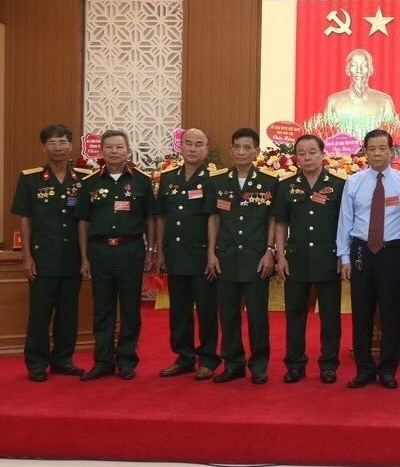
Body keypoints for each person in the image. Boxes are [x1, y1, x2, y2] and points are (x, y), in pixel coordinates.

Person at [11, 124, 93, 381]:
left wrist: (85, 257)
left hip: (72, 257)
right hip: (43, 257)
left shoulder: (84, 178)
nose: (58, 148)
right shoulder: (30, 178)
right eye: (52, 143)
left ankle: (62, 360)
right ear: (44, 147)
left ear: (71, 146)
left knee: (68, 313)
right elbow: (25, 218)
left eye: (63, 142)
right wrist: (26, 256)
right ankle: (36, 363)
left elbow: (86, 220)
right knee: (40, 312)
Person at [338, 129, 400, 389]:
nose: (378, 153)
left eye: (383, 148)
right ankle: (364, 369)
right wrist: (344, 256)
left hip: (392, 252)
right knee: (361, 314)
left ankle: (388, 369)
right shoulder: (354, 182)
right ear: (365, 152)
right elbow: (345, 221)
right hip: (361, 252)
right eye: (372, 149)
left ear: (392, 151)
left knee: (392, 314)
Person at [76, 129, 154, 381]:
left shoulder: (142, 181)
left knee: (130, 308)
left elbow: (150, 219)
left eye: (119, 147)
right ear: (101, 151)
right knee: (102, 309)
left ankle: (127, 360)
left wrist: (151, 250)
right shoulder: (90, 182)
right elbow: (83, 222)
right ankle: (103, 362)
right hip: (99, 252)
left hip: (130, 250)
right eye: (109, 147)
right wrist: (84, 256)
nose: (114, 151)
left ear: (128, 150)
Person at [206, 127, 279, 384]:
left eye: (247, 147)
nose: (241, 152)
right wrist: (211, 253)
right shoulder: (217, 182)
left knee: (257, 317)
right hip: (225, 258)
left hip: (256, 259)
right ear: (231, 150)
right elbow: (214, 219)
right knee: (228, 315)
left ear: (256, 151)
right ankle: (233, 364)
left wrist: (270, 251)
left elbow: (273, 220)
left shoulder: (269, 182)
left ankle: (259, 365)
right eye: (237, 147)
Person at [274, 134, 347, 384]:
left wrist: (343, 255)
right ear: (296, 156)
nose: (307, 157)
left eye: (312, 152)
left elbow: (345, 224)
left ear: (322, 154)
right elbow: (281, 223)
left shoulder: (338, 185)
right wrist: (280, 255)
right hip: (296, 259)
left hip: (328, 259)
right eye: (301, 153)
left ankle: (329, 365)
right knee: (295, 314)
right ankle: (295, 365)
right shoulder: (286, 186)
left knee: (330, 315)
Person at [154, 128, 220, 381]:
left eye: (199, 144)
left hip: (202, 255)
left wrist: (212, 253)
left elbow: (214, 218)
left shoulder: (213, 179)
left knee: (206, 310)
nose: (193, 148)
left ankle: (208, 359)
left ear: (207, 149)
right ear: (180, 147)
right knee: (179, 310)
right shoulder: (168, 178)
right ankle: (184, 357)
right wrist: (160, 251)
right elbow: (162, 217)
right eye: (188, 143)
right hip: (175, 254)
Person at [324, 48, 396, 119]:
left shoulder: (385, 101)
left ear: (371, 70)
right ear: (347, 70)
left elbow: (390, 126)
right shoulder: (333, 101)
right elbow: (327, 126)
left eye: (364, 65)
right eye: (354, 65)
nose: (359, 70)